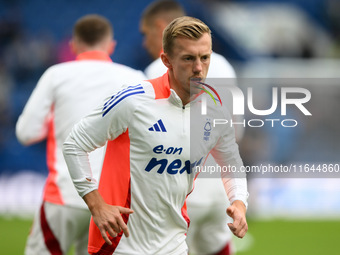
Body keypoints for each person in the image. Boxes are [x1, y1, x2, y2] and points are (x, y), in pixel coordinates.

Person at [63, 16, 248, 255]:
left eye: (205, 57)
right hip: (120, 244)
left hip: (174, 245)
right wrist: (96, 205)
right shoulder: (133, 100)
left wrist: (239, 203)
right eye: (188, 58)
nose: (199, 68)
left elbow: (232, 163)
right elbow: (74, 144)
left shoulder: (214, 109)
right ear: (166, 60)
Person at [16, 14, 146, 255]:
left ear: (73, 45)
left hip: (64, 194)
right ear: (111, 45)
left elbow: (26, 133)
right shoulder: (134, 78)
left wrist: (56, 121)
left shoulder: (56, 75)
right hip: (112, 200)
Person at [140, 1, 243, 254]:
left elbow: (151, 137)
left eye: (146, 34)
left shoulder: (159, 70)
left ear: (161, 28)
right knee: (217, 247)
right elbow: (234, 130)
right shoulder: (224, 66)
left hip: (179, 191)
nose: (145, 43)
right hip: (218, 191)